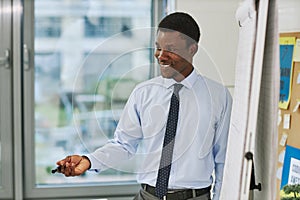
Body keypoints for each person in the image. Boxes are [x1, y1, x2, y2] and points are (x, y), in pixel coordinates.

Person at [55, 12, 232, 200]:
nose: (161, 56)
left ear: (192, 49)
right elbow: (124, 145)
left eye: (170, 49)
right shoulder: (143, 93)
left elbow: (225, 161)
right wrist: (88, 161)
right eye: (158, 48)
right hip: (148, 196)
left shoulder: (218, 96)